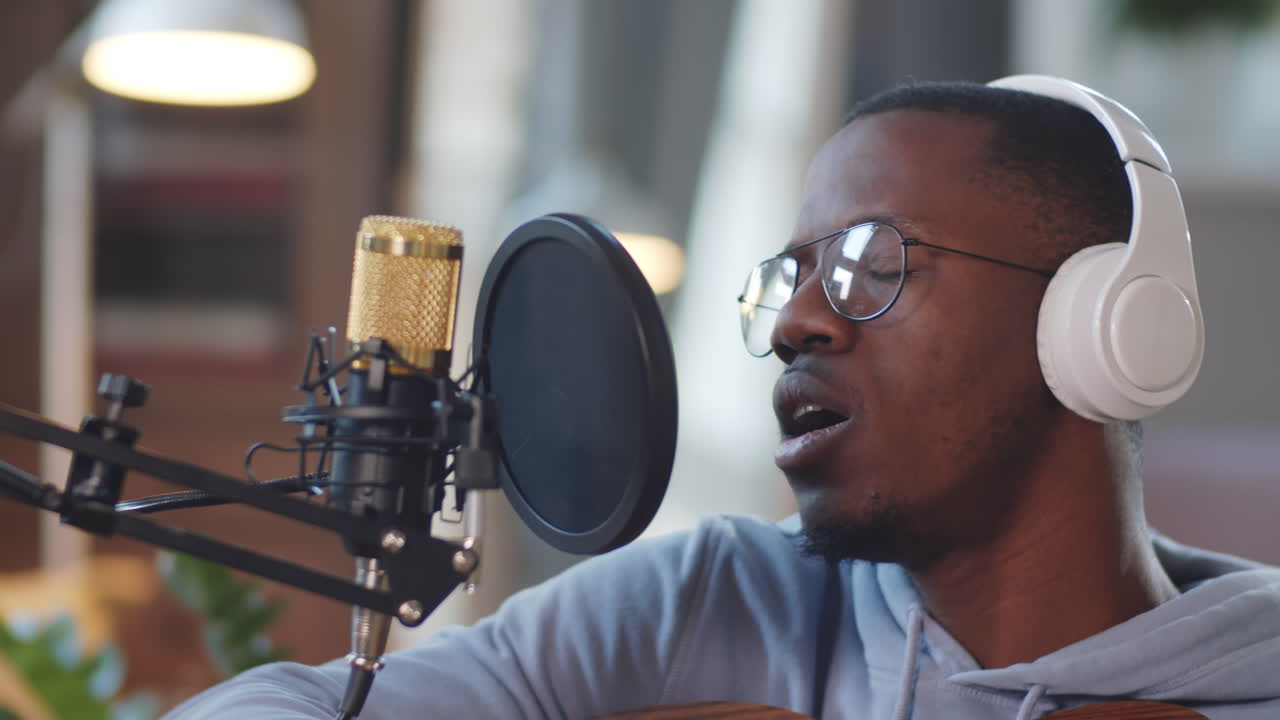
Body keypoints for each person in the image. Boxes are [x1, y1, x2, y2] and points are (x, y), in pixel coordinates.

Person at [164, 77, 1280, 719]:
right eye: (787, 279)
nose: (797, 322)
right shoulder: (719, 598)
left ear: (1097, 323)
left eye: (871, 261)